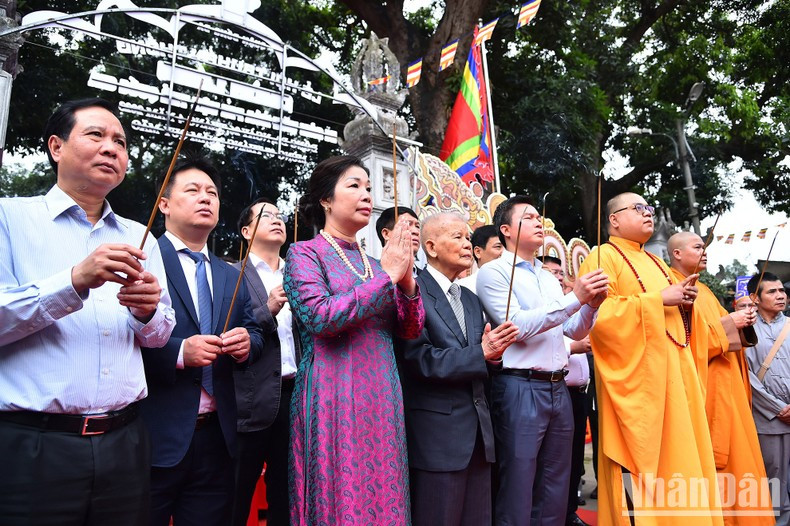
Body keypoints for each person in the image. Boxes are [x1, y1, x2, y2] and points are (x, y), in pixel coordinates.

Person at [0, 98, 175, 525]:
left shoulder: (142, 237)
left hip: (126, 442)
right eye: (96, 135)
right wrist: (75, 279)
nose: (111, 148)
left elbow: (160, 335)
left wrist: (148, 312)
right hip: (34, 446)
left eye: (120, 141)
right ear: (56, 147)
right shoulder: (9, 217)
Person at [284, 155, 425, 524]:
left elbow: (410, 330)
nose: (366, 194)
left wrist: (406, 282)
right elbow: (320, 317)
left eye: (368, 187)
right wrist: (388, 278)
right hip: (332, 391)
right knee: (339, 492)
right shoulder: (303, 254)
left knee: (385, 489)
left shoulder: (380, 264)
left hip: (381, 392)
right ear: (326, 199)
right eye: (354, 185)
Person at [579, 193, 722, 524]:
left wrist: (684, 304)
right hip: (642, 390)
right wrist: (659, 299)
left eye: (649, 208)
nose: (648, 213)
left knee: (685, 462)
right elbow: (600, 316)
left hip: (677, 382)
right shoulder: (604, 256)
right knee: (646, 478)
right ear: (613, 220)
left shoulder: (658, 263)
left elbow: (679, 321)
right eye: (638, 208)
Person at [139, 155, 264, 526]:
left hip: (217, 438)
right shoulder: (142, 258)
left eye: (212, 192)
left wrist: (247, 343)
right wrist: (178, 352)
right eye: (192, 190)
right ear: (164, 204)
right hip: (153, 435)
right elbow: (116, 336)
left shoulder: (230, 273)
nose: (205, 198)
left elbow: (255, 331)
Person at [476, 195, 609, 526]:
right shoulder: (494, 273)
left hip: (558, 387)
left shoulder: (549, 278)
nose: (540, 222)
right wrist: (575, 297)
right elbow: (517, 327)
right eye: (530, 217)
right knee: (518, 483)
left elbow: (572, 330)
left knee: (556, 483)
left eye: (540, 217)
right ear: (506, 229)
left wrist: (590, 305)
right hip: (519, 386)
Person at [397, 212, 519, 526]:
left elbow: (481, 356)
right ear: (431, 247)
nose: (467, 244)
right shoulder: (413, 292)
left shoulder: (469, 297)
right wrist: (482, 353)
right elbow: (419, 360)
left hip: (479, 437)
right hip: (437, 439)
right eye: (458, 237)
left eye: (468, 237)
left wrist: (492, 358)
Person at [668, 232, 772, 524]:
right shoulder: (674, 289)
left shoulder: (705, 291)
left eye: (704, 247)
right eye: (697, 247)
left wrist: (740, 320)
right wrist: (729, 323)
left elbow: (722, 335)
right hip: (709, 391)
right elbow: (684, 341)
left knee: (744, 465)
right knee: (723, 468)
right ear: (676, 254)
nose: (704, 252)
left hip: (729, 388)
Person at [231, 198, 301, 526]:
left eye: (279, 215)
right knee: (238, 490)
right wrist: (266, 310)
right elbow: (228, 333)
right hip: (251, 396)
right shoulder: (232, 275)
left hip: (296, 396)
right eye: (265, 215)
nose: (276, 220)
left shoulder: (302, 274)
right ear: (246, 231)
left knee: (286, 493)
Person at [541, 256, 593, 526]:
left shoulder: (572, 304)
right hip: (553, 386)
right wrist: (574, 346)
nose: (558, 277)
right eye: (551, 272)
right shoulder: (544, 305)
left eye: (560, 272)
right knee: (552, 460)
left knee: (572, 456)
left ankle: (569, 510)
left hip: (578, 391)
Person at [745, 272, 790, 525]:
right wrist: (778, 408)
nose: (780, 295)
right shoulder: (746, 330)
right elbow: (745, 376)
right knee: (773, 479)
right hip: (768, 420)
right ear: (755, 298)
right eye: (772, 292)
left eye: (782, 290)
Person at [459, 224, 503, 294]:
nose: (504, 253)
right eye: (498, 247)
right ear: (478, 252)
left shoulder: (517, 282)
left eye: (507, 248)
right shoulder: (463, 288)